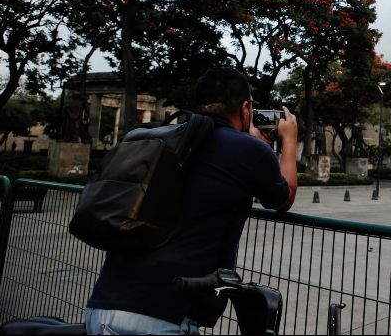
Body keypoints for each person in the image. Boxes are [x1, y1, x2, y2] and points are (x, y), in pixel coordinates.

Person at [84, 67, 298, 335]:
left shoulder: (169, 137)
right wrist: (288, 140)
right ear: (245, 108)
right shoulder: (250, 150)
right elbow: (284, 197)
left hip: (102, 306)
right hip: (163, 317)